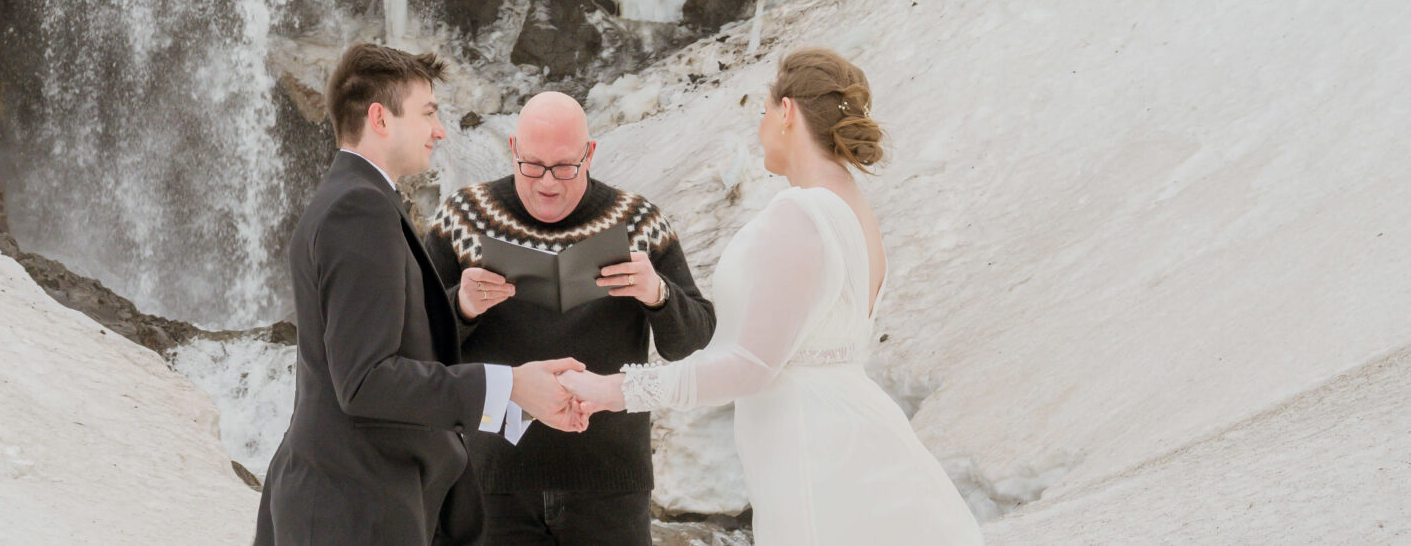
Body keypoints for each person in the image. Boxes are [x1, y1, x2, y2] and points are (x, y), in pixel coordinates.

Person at [558, 48, 984, 546]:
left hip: (815, 456)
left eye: (762, 112)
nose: (760, 127)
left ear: (787, 111)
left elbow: (749, 366)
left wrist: (614, 390)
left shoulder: (802, 213)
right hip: (845, 441)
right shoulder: (856, 210)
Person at [255, 44, 593, 546]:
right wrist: (510, 386)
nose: (440, 131)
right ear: (380, 119)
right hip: (350, 511)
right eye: (428, 113)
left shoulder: (353, 198)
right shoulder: (359, 208)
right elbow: (366, 381)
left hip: (347, 502)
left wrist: (517, 394)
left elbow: (382, 357)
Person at [422, 91, 717, 546]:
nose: (547, 183)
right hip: (490, 483)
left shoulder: (638, 221)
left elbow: (694, 341)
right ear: (513, 149)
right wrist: (461, 306)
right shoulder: (462, 218)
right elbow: (416, 347)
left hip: (610, 487)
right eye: (532, 165)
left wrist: (657, 293)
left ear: (589, 154)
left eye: (564, 167)